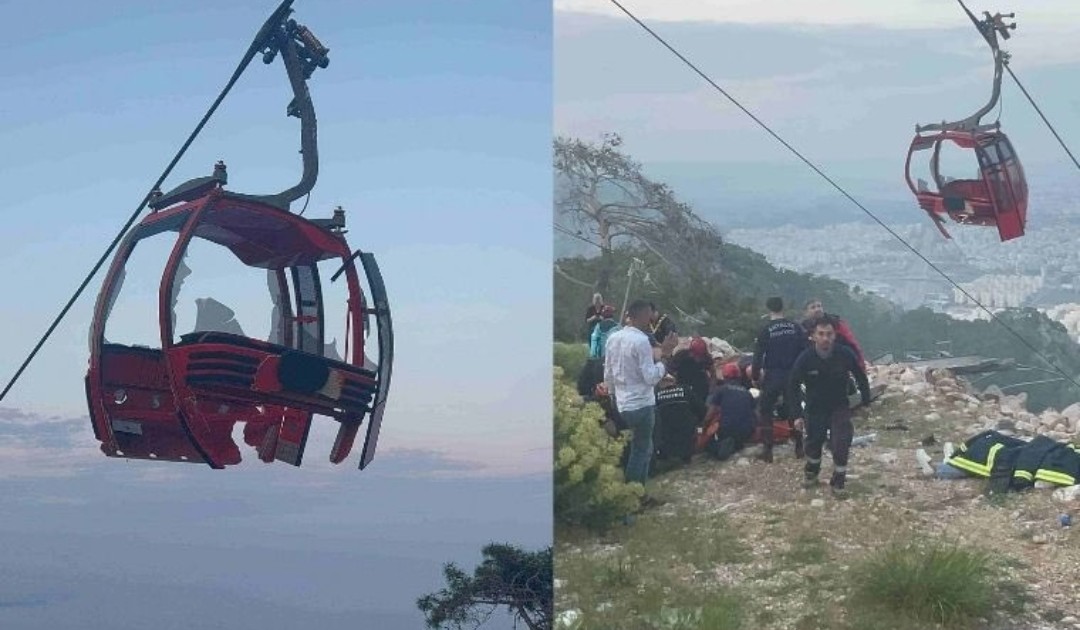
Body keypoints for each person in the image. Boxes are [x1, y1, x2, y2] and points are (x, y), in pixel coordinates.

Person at [788, 317, 871, 496]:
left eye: (829, 334)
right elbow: (792, 386)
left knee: (841, 443)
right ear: (813, 336)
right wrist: (796, 414)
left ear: (835, 336)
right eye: (821, 334)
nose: (825, 338)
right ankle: (811, 473)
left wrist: (866, 402)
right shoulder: (805, 358)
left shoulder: (845, 354)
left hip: (839, 406)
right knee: (814, 443)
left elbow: (861, 377)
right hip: (814, 408)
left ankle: (838, 482)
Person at [603, 299, 678, 490]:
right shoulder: (641, 341)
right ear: (645, 316)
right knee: (640, 450)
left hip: (621, 403)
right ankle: (633, 495)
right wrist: (666, 356)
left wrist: (612, 396)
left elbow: (608, 372)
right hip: (642, 404)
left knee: (642, 448)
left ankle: (638, 492)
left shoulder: (613, 338)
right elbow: (651, 377)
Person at [751, 297, 808, 463]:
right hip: (792, 373)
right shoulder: (795, 327)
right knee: (794, 409)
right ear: (783, 308)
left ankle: (767, 450)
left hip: (773, 374)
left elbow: (757, 357)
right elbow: (805, 351)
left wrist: (755, 377)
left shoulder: (766, 330)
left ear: (768, 309)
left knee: (766, 410)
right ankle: (799, 446)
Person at [704, 362, 757, 461]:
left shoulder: (721, 390)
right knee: (736, 436)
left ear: (725, 376)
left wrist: (703, 427)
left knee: (708, 445)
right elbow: (756, 414)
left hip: (728, 430)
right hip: (747, 432)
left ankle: (720, 447)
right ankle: (737, 445)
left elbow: (710, 414)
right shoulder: (747, 392)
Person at [801, 298, 866, 371]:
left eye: (819, 306)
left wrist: (861, 364)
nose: (817, 309)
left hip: (839, 364)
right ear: (805, 312)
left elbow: (852, 343)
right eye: (813, 307)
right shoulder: (803, 329)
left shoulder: (836, 323)